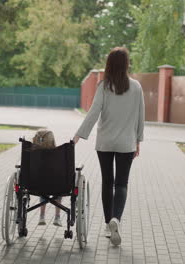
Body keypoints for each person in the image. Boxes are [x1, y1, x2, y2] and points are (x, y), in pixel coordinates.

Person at [73, 47, 145, 246]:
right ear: (126, 64)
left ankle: (107, 224)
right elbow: (141, 117)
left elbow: (94, 112)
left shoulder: (103, 86)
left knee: (107, 182)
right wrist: (138, 140)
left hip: (105, 143)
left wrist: (79, 134)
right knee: (121, 184)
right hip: (126, 144)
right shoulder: (137, 87)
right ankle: (116, 219)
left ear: (109, 65)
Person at [32, 129, 63, 227]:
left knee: (43, 188)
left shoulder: (31, 153)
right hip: (56, 185)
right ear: (53, 141)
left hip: (37, 184)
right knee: (58, 189)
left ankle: (42, 216)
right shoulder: (60, 153)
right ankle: (57, 216)